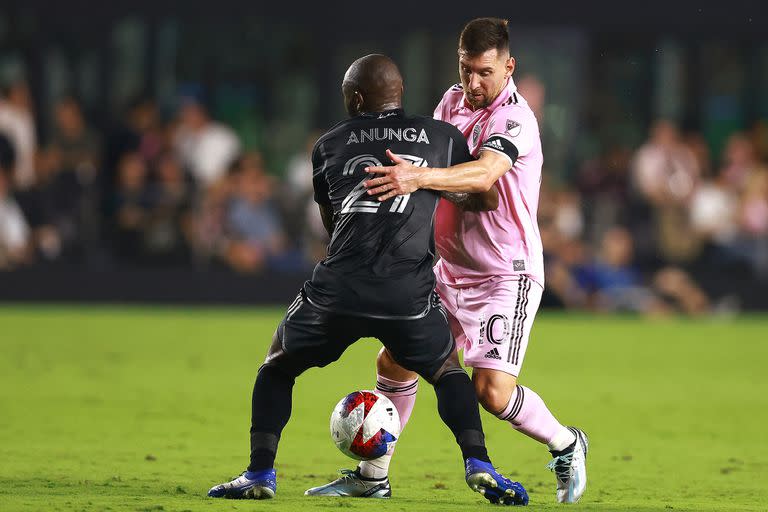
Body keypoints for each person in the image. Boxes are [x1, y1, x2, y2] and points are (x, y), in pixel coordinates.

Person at [206, 54, 528, 506]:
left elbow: (330, 219)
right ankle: (479, 464)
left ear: (356, 98)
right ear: (400, 95)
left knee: (277, 367)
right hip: (408, 292)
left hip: (340, 288)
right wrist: (425, 181)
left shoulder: (329, 143)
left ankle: (260, 472)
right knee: (447, 372)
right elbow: (484, 196)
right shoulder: (441, 137)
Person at [307, 19, 588, 503]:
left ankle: (566, 444)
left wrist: (418, 178)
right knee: (395, 361)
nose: (473, 83)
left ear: (508, 67)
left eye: (484, 72)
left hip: (504, 272)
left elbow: (482, 175)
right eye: (465, 69)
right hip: (446, 270)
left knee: (492, 392)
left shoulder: (515, 118)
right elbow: (437, 163)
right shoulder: (452, 101)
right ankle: (373, 476)